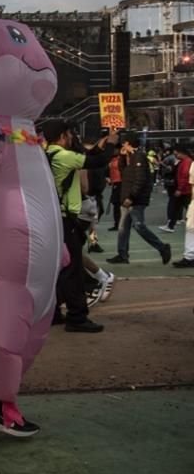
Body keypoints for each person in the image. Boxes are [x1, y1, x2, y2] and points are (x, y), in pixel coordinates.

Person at [42, 119, 116, 333]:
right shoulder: (64, 156)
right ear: (63, 136)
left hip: (54, 218)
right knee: (72, 269)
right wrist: (111, 144)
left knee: (56, 269)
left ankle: (53, 313)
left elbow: (86, 156)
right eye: (70, 134)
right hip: (67, 219)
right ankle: (77, 316)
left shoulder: (48, 154)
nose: (72, 137)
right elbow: (99, 161)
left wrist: (100, 145)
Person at [107, 131, 171, 266]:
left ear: (128, 143)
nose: (122, 146)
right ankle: (122, 254)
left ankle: (162, 247)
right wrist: (123, 158)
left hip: (135, 199)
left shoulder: (139, 157)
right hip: (128, 197)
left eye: (124, 143)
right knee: (123, 227)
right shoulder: (130, 157)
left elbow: (140, 179)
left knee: (139, 226)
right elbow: (124, 171)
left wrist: (131, 196)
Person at [161, 145, 192, 232]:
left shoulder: (186, 162)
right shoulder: (184, 161)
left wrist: (180, 189)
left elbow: (185, 176)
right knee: (178, 206)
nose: (175, 156)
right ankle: (171, 225)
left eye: (176, 154)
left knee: (182, 206)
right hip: (184, 189)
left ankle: (171, 225)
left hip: (185, 190)